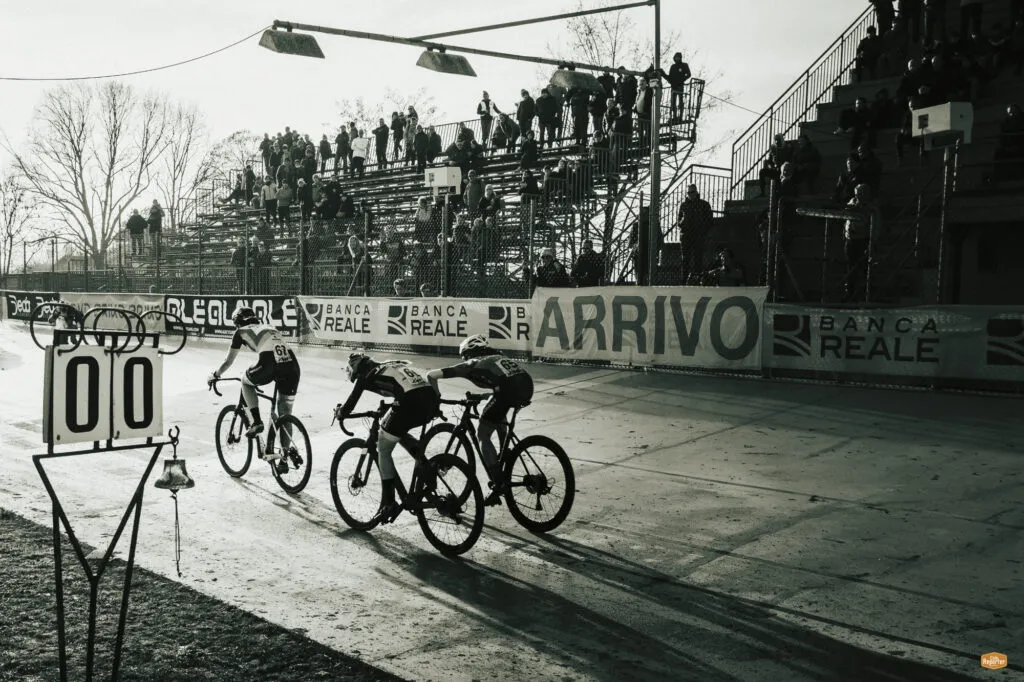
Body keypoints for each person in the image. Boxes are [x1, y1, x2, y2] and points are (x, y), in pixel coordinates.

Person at [426, 335, 534, 505]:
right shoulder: (498, 357)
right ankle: (505, 453)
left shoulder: (470, 364)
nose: (464, 359)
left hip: (508, 391)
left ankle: (498, 484)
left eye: (464, 356)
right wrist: (485, 395)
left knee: (482, 433)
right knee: (497, 410)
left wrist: (436, 400)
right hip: (526, 386)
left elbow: (431, 375)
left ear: (469, 353)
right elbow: (502, 384)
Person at [335, 353, 440, 522]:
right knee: (396, 429)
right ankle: (426, 468)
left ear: (355, 368)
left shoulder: (365, 375)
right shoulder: (388, 365)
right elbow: (403, 386)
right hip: (430, 399)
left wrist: (341, 413)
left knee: (383, 447)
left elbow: (351, 401)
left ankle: (389, 502)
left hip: (410, 402)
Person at [207, 307, 300, 474]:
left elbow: (228, 362)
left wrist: (215, 375)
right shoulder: (270, 327)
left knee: (246, 381)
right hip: (292, 366)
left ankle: (256, 422)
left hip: (270, 363)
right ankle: (284, 459)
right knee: (284, 413)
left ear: (238, 323)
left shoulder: (240, 332)